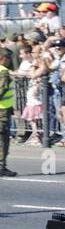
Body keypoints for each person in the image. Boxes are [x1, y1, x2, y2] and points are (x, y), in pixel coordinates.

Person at [0, 45, 14, 176]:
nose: (10, 61)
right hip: (2, 110)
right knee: (2, 138)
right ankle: (1, 166)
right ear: (2, 58)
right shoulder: (3, 71)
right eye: (8, 58)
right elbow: (2, 90)